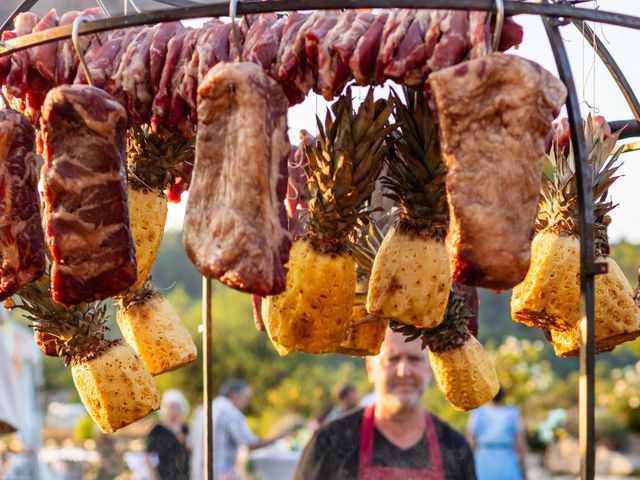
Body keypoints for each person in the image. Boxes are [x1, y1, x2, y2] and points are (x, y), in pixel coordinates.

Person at [295, 329, 476, 480]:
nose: (404, 371)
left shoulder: (456, 449)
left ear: (430, 368)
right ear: (370, 368)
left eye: (415, 359)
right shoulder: (329, 444)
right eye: (392, 359)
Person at [191, 378, 294, 480]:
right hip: (221, 473)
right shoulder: (230, 412)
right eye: (245, 398)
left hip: (198, 473)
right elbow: (250, 444)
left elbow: (191, 444)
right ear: (233, 394)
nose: (246, 404)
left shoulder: (201, 410)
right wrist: (278, 436)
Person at [466, 388, 528, 480]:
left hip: (483, 461)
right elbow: (519, 443)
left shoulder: (479, 413)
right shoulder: (512, 413)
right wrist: (523, 467)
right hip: (507, 460)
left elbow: (471, 440)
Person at [146, 389, 190, 480]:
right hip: (164, 476)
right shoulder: (157, 431)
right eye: (172, 407)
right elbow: (150, 457)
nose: (174, 411)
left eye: (177, 407)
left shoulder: (185, 429)